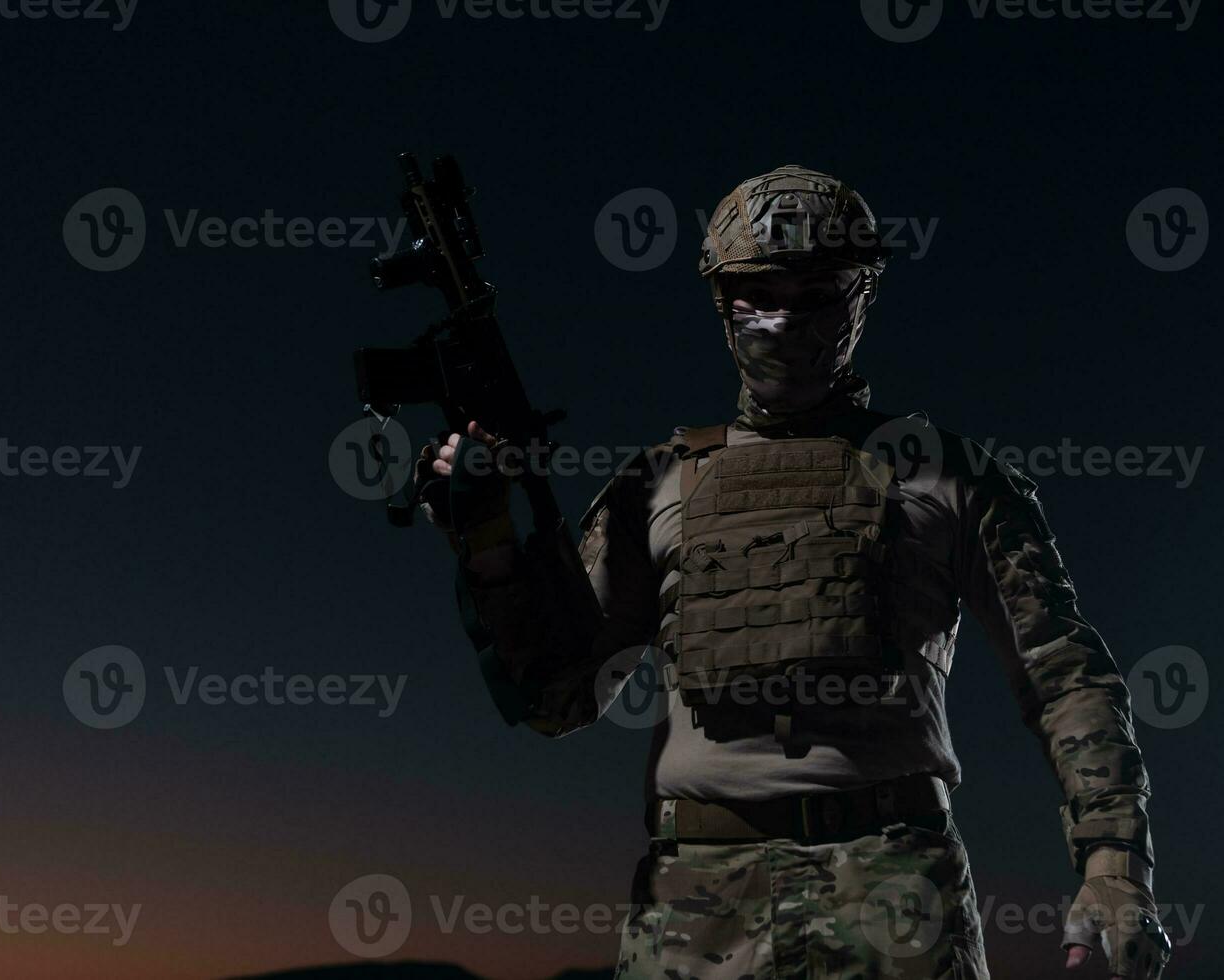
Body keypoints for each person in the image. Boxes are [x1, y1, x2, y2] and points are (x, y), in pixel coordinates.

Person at [418, 164, 1171, 979]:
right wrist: (487, 536)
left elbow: (1064, 675)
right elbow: (559, 695)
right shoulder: (658, 483)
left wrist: (1114, 861)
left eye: (814, 296)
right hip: (697, 906)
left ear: (862, 295)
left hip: (892, 895)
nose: (780, 322)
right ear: (721, 303)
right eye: (756, 296)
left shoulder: (946, 474)